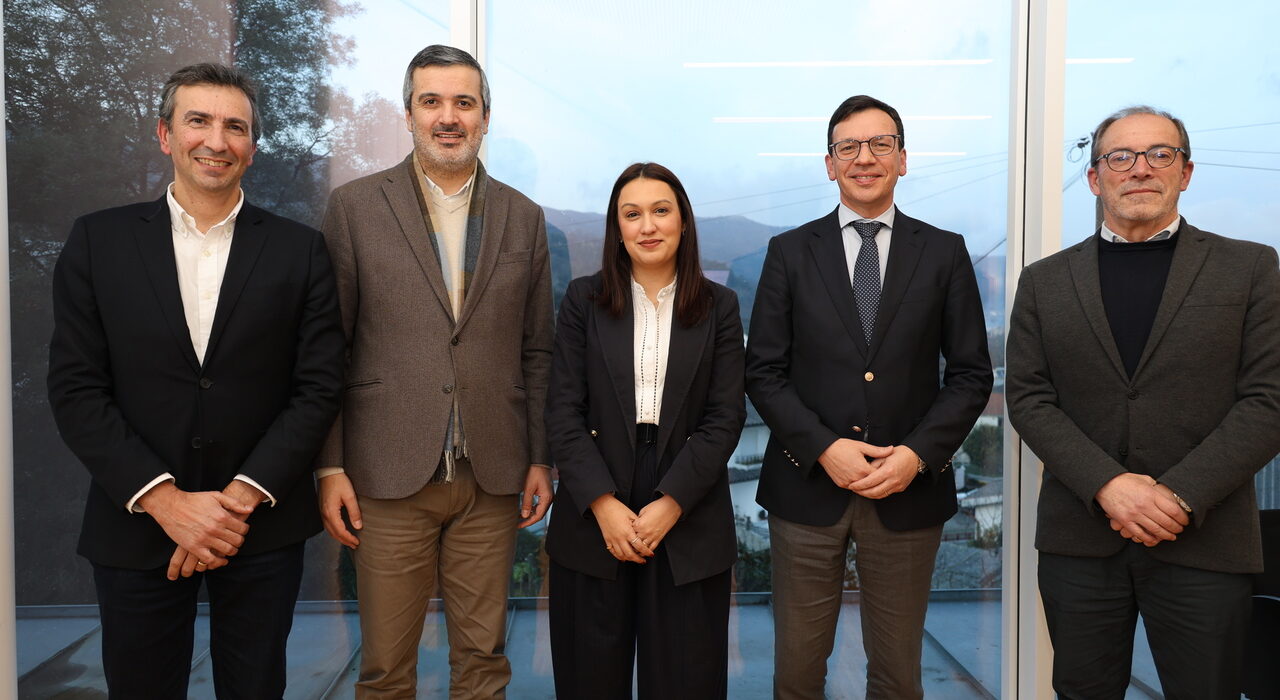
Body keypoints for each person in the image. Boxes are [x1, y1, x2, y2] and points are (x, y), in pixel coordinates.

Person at [46, 63, 345, 699]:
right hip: (137, 524)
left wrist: (232, 505)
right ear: (165, 134)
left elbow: (319, 386)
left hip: (259, 526)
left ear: (253, 147)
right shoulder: (99, 241)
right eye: (198, 121)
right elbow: (76, 388)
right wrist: (169, 504)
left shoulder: (301, 249)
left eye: (235, 127)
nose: (217, 140)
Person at [1006, 105, 1280, 699]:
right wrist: (1109, 484)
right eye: (1120, 157)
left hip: (1206, 538)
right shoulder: (1044, 280)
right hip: (1080, 539)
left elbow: (1269, 400)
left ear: (1185, 172)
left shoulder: (1252, 267)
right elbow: (1029, 398)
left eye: (1160, 154)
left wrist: (1178, 495)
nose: (1139, 169)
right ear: (1094, 177)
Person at [313, 44, 554, 698]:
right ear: (410, 114)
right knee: (387, 669)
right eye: (433, 102)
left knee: (483, 665)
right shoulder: (355, 208)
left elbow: (537, 351)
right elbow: (327, 346)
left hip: (493, 474)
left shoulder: (524, 219)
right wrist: (330, 464)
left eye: (464, 103)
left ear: (485, 116)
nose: (449, 117)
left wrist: (539, 457)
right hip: (386, 473)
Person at [745, 95, 993, 699]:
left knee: (897, 674)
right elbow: (764, 372)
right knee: (798, 672)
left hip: (908, 492)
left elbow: (970, 375)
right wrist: (824, 447)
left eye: (880, 144)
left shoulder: (945, 252)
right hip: (806, 489)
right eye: (848, 147)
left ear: (903, 160)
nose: (865, 158)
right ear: (829, 164)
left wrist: (916, 456)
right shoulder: (788, 252)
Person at [544, 162, 745, 699]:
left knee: (687, 681)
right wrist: (603, 505)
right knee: (590, 680)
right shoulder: (583, 302)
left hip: (688, 500)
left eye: (661, 210)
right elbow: (562, 411)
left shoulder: (720, 306)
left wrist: (672, 502)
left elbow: (725, 417)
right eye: (632, 214)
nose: (647, 225)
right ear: (618, 228)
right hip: (595, 499)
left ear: (683, 222)